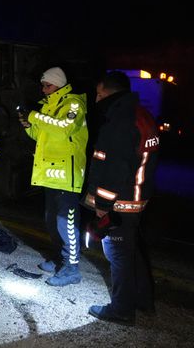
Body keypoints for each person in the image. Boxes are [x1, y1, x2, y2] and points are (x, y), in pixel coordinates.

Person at [84, 71, 160, 326]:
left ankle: (121, 309)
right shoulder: (141, 114)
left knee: (118, 254)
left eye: (98, 93)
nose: (95, 99)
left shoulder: (119, 120)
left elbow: (114, 167)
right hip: (137, 197)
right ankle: (142, 300)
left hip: (120, 202)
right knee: (131, 252)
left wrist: (102, 206)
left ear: (109, 92)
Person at [18, 67, 88, 286]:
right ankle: (59, 258)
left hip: (66, 175)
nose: (43, 89)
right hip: (50, 174)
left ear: (58, 84)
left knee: (65, 222)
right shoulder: (49, 106)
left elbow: (63, 129)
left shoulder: (73, 104)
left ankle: (72, 268)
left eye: (47, 85)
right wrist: (29, 126)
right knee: (51, 220)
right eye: (43, 85)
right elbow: (41, 136)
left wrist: (34, 116)